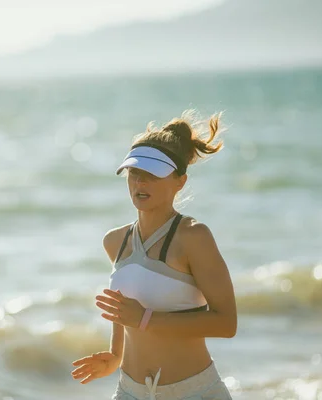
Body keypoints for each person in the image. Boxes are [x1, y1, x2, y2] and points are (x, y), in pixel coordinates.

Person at [71, 110, 237, 400]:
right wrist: (114, 355)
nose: (140, 183)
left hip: (193, 392)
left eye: (152, 174)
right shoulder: (115, 241)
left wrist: (146, 319)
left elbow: (226, 323)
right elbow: (125, 311)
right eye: (135, 173)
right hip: (130, 392)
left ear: (180, 181)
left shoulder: (194, 237)